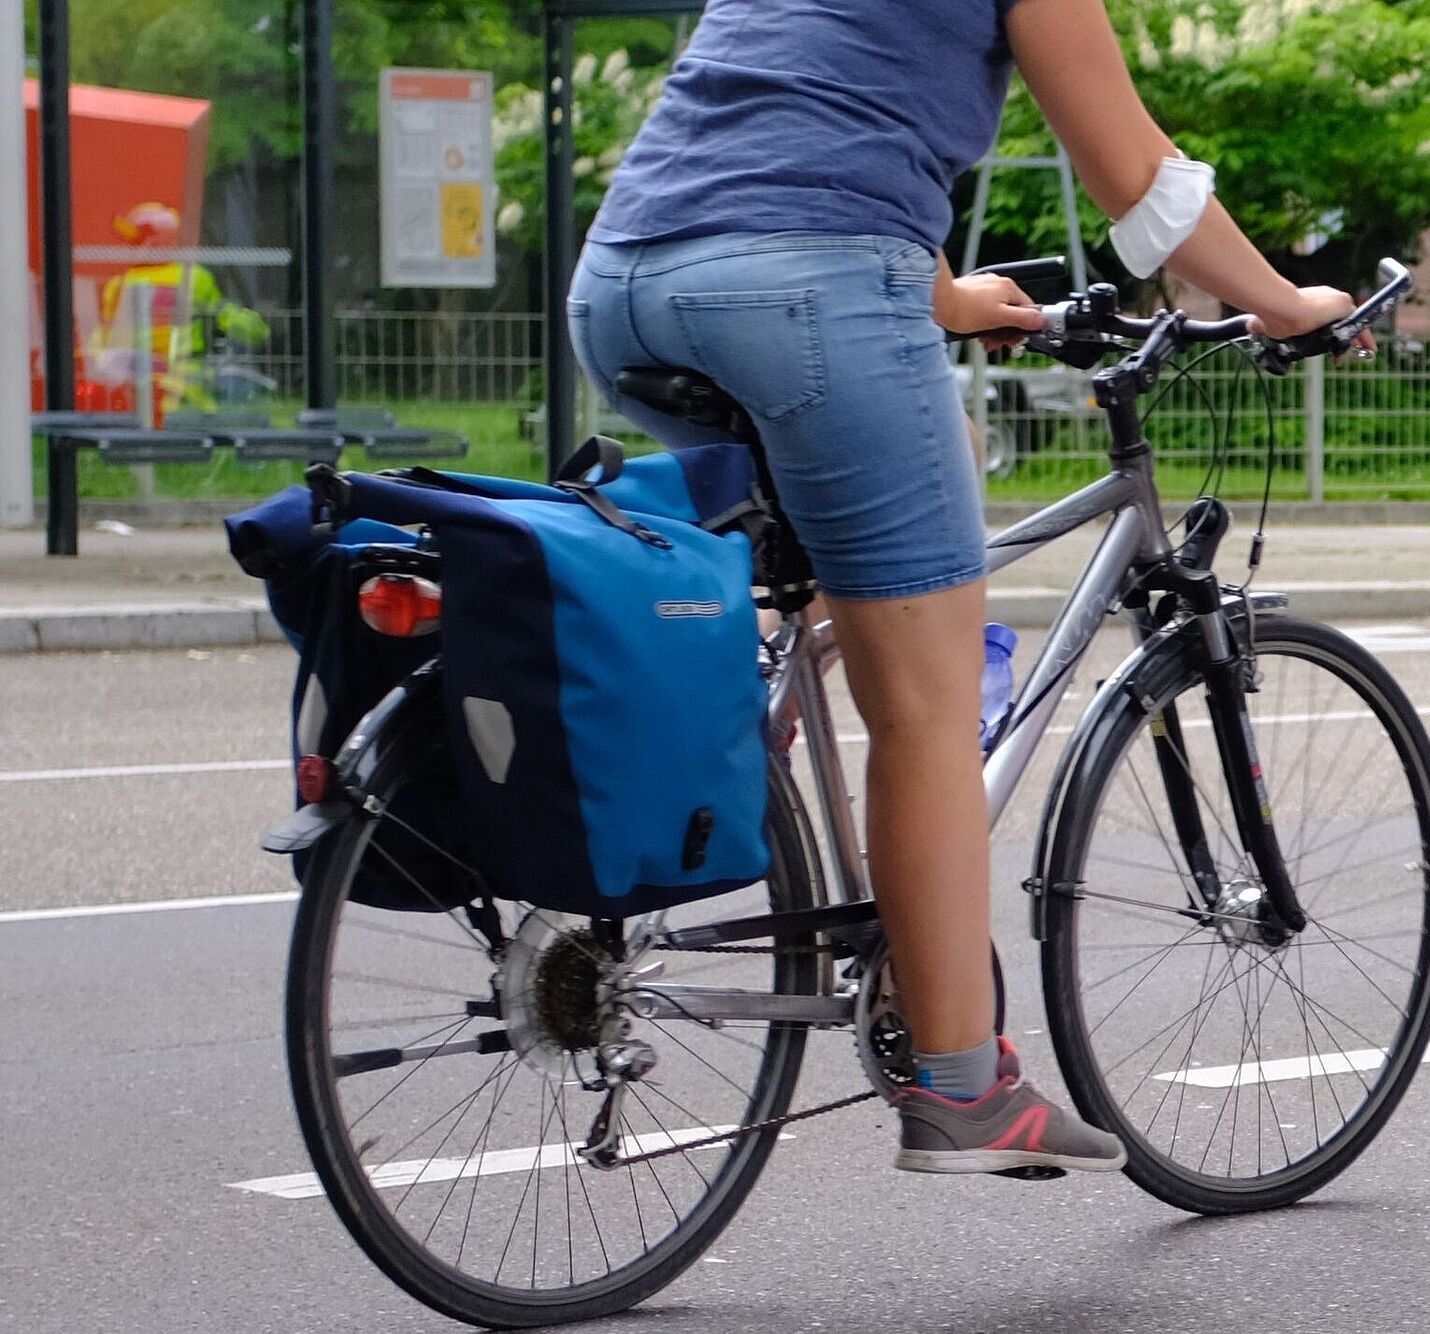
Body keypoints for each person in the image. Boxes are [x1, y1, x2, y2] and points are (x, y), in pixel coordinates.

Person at [570, 0, 1358, 1177]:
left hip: (625, 281)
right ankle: (957, 1078)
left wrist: (942, 296)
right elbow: (1139, 180)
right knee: (930, 707)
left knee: (861, 608)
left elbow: (807, 121)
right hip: (804, 291)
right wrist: (1286, 303)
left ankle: (846, 875)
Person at [95, 203, 270, 414]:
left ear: (158, 241)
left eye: (136, 239)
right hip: (164, 371)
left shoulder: (122, 284)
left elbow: (103, 334)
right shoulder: (192, 276)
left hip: (160, 372)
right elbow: (225, 315)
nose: (132, 246)